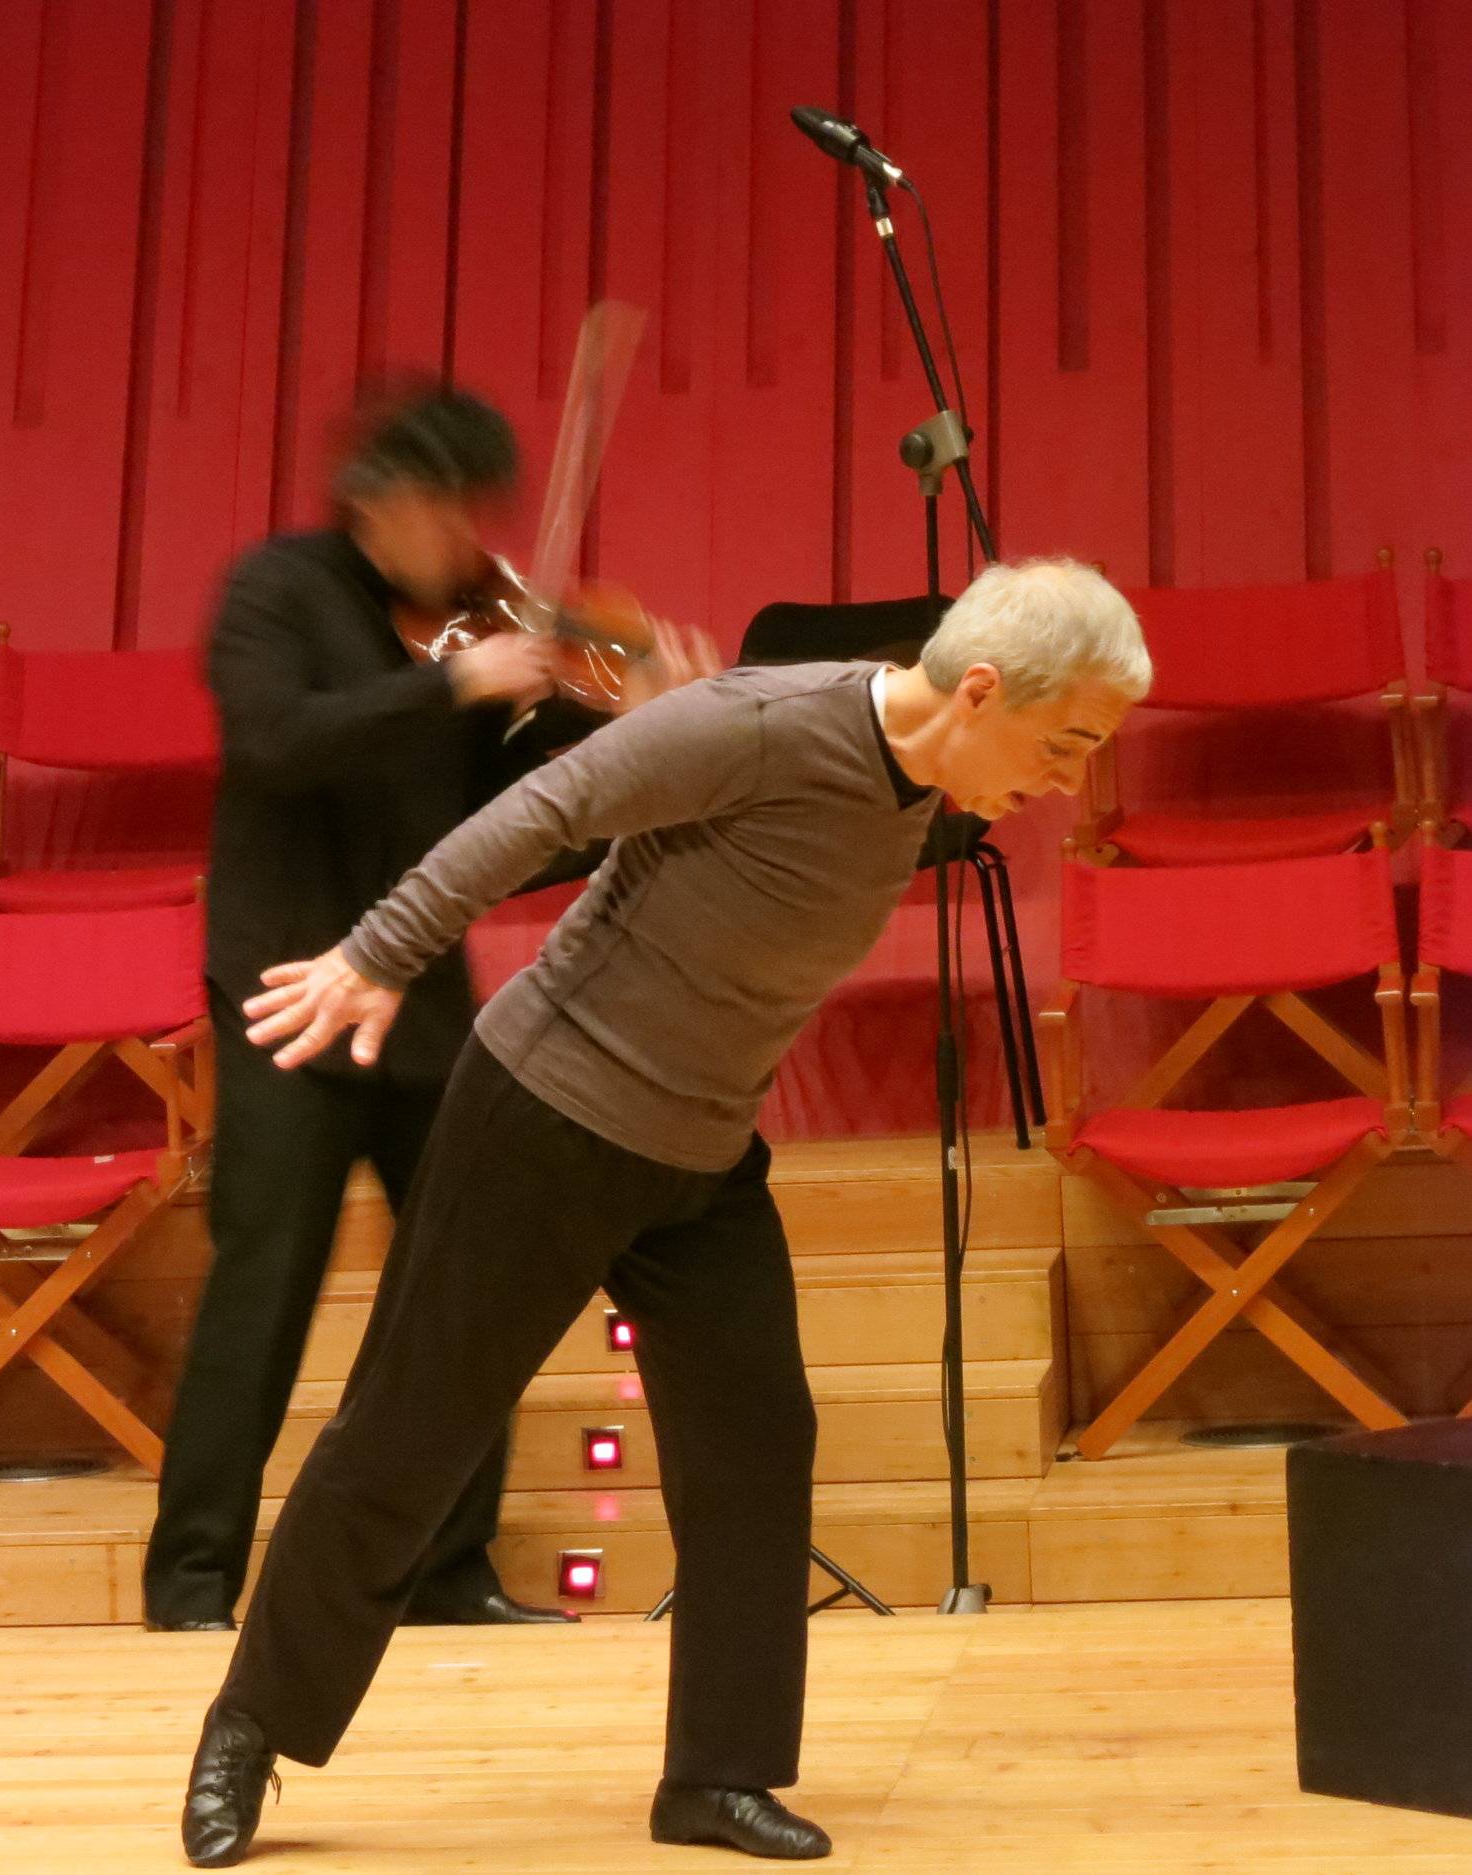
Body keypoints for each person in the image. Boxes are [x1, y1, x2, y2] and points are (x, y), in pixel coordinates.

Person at [179, 558, 1151, 1865]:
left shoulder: (924, 782)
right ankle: (252, 1721)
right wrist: (374, 956)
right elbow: (538, 811)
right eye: (1069, 742)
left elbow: (843, 799)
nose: (1072, 782)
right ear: (978, 689)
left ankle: (717, 1776)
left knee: (757, 1440)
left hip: (700, 1150)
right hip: (545, 1114)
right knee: (410, 1433)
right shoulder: (758, 724)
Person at [141, 383, 716, 1632]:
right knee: (266, 1286)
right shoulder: (275, 595)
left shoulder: (463, 634)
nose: (473, 546)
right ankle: (191, 1583)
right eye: (454, 516)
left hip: (422, 1006)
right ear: (388, 504)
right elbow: (275, 743)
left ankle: (449, 1574)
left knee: (470, 1284)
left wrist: (637, 724)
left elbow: (507, 821)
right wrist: (449, 684)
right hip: (286, 998)